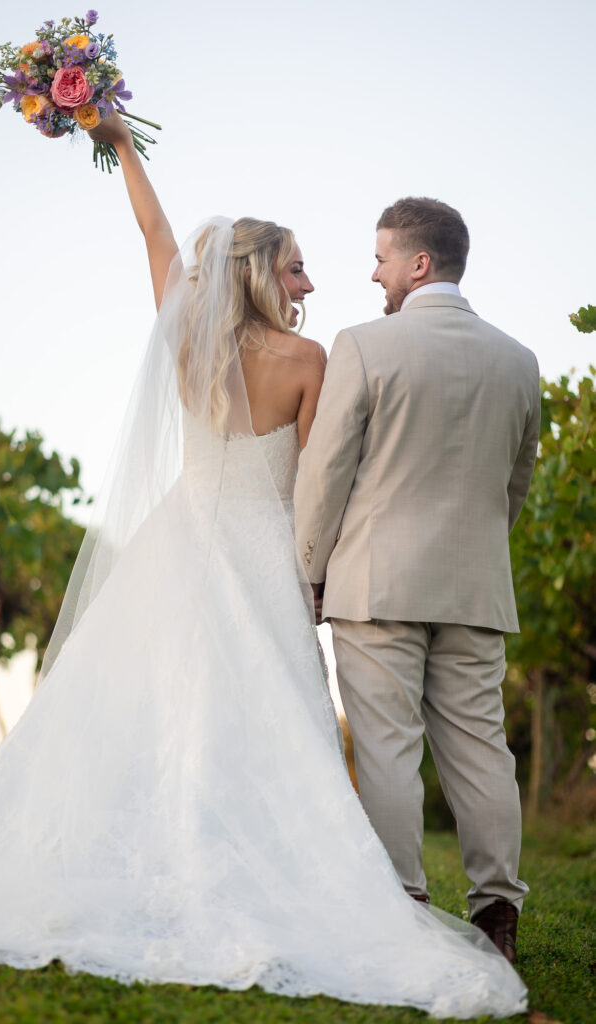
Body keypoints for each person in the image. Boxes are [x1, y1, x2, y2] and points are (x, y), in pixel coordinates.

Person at [0, 127, 528, 1017]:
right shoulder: (311, 361)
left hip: (177, 548)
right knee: (274, 721)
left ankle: (195, 859)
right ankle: (435, 898)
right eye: (298, 268)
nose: (311, 284)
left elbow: (154, 232)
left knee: (163, 710)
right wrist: (321, 576)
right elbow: (324, 485)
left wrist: (116, 140)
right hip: (266, 557)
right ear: (263, 273)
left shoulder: (185, 340)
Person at [294, 197, 540, 966]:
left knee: (388, 747)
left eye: (381, 258)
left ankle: (401, 903)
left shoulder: (364, 346)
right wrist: (474, 557)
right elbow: (515, 485)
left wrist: (308, 571)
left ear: (419, 263)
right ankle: (497, 914)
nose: (375, 273)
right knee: (481, 750)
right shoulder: (519, 360)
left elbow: (327, 471)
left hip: (376, 583)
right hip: (474, 586)